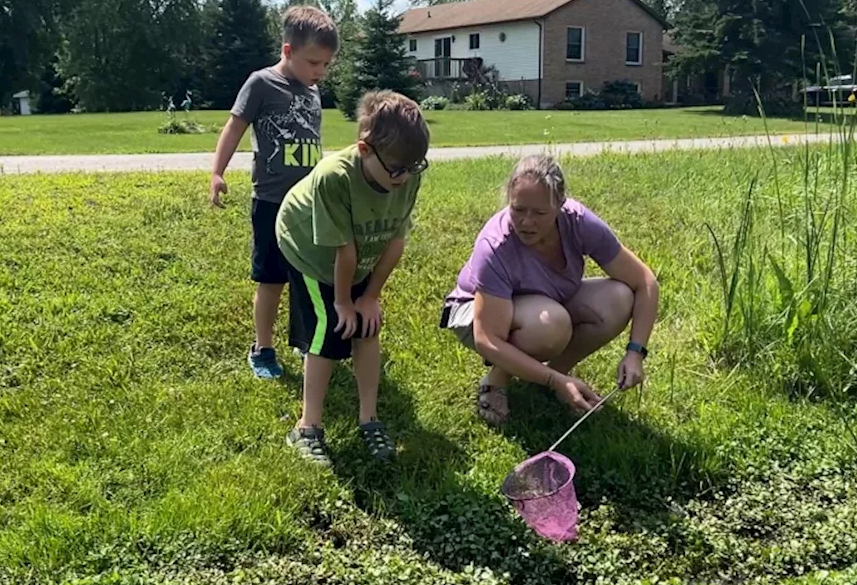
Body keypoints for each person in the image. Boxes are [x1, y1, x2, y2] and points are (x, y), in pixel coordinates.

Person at [440, 154, 659, 424]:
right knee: (551, 324)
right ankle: (497, 380)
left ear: (560, 204)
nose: (527, 222)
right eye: (518, 210)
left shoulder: (577, 221)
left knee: (619, 299)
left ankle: (555, 375)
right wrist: (554, 381)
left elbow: (644, 282)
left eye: (540, 213)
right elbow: (488, 339)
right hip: (475, 314)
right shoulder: (495, 246)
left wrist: (635, 352)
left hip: (543, 304)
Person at [275, 91, 430, 467]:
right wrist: (344, 302)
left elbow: (395, 241)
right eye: (396, 168)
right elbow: (343, 252)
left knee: (368, 327)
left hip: (360, 250)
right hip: (310, 250)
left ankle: (369, 419)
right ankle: (307, 427)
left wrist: (370, 297)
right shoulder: (335, 178)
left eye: (414, 166)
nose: (405, 176)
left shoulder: (405, 173)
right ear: (364, 149)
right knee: (329, 330)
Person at [209, 6, 338, 380]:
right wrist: (217, 172)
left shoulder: (312, 91)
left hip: (308, 202)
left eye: (326, 65)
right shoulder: (261, 83)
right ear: (287, 51)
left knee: (306, 275)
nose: (320, 72)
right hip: (271, 202)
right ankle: (262, 348)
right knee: (270, 279)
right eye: (314, 62)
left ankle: (304, 341)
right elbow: (234, 127)